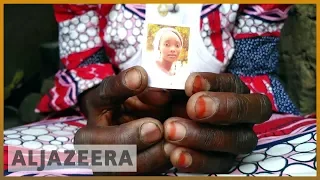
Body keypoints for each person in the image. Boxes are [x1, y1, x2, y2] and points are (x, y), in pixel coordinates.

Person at [35, 4, 302, 175]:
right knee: (28, 161)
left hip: (209, 129)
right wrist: (99, 105)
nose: (173, 50)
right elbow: (84, 70)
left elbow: (252, 79)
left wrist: (231, 115)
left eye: (177, 46)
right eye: (168, 46)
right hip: (107, 126)